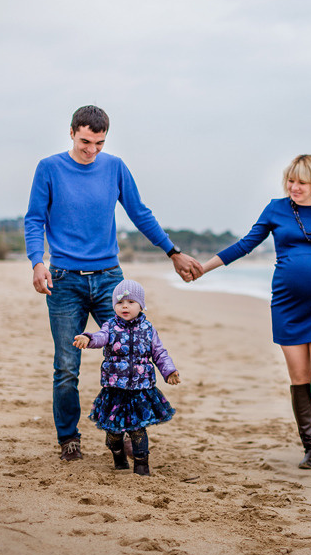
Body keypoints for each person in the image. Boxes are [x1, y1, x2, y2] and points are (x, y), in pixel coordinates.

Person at [24, 105, 202, 462]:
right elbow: (33, 219)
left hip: (110, 281)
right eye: (86, 141)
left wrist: (173, 252)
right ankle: (69, 439)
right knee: (66, 366)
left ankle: (125, 431)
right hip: (64, 281)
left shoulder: (115, 167)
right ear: (72, 132)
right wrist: (37, 262)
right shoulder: (49, 168)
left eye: (100, 143)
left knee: (134, 354)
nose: (92, 150)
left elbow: (140, 213)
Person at [199, 154, 311, 469]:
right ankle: (310, 447)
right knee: (299, 375)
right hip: (288, 305)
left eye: (301, 182)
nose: (294, 186)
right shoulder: (276, 209)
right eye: (291, 180)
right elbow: (245, 245)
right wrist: (205, 268)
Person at [73, 280, 179, 476]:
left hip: (140, 390)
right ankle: (118, 455)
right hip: (115, 390)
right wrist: (88, 338)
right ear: (114, 305)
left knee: (138, 430)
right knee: (114, 432)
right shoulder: (110, 327)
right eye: (120, 302)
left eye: (131, 302)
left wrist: (169, 371)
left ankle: (141, 466)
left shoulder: (148, 329)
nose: (125, 306)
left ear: (141, 305)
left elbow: (159, 353)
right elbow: (100, 337)